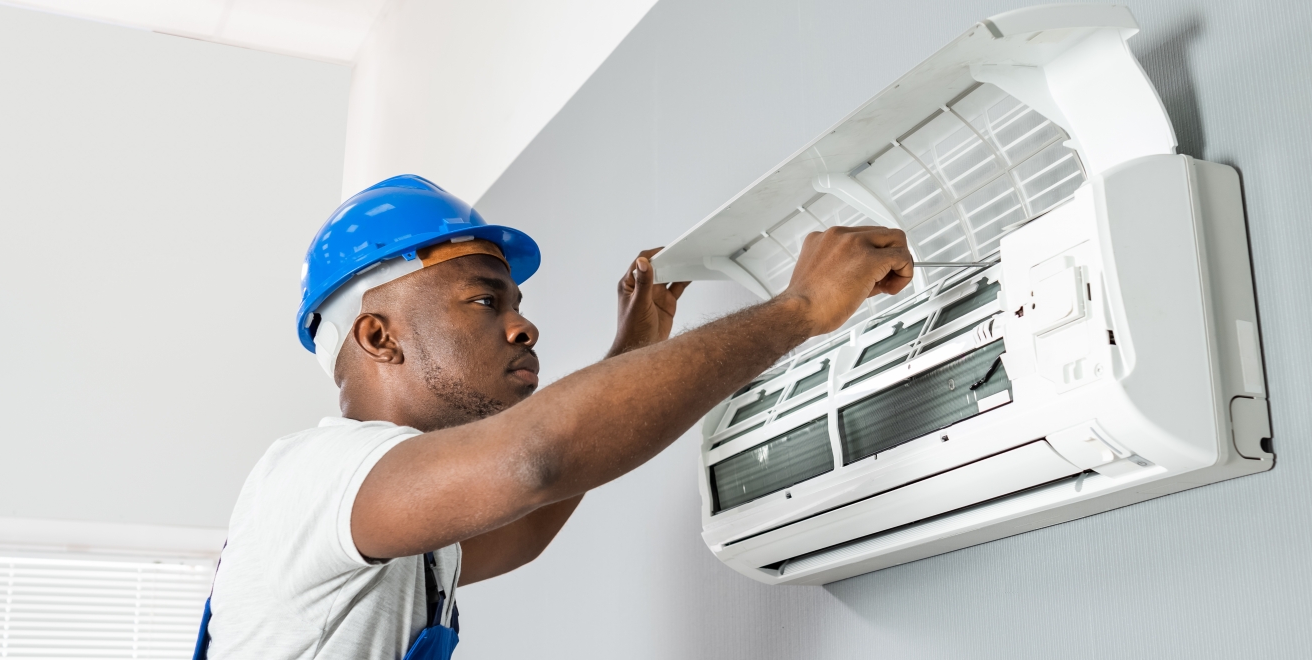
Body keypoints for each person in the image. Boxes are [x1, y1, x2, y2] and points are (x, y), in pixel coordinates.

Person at [193, 175, 912, 659]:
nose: (523, 327)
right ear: (379, 336)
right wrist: (800, 312)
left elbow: (526, 522)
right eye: (485, 301)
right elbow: (536, 460)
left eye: (519, 305)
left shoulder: (402, 529)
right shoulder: (313, 477)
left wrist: (636, 344)